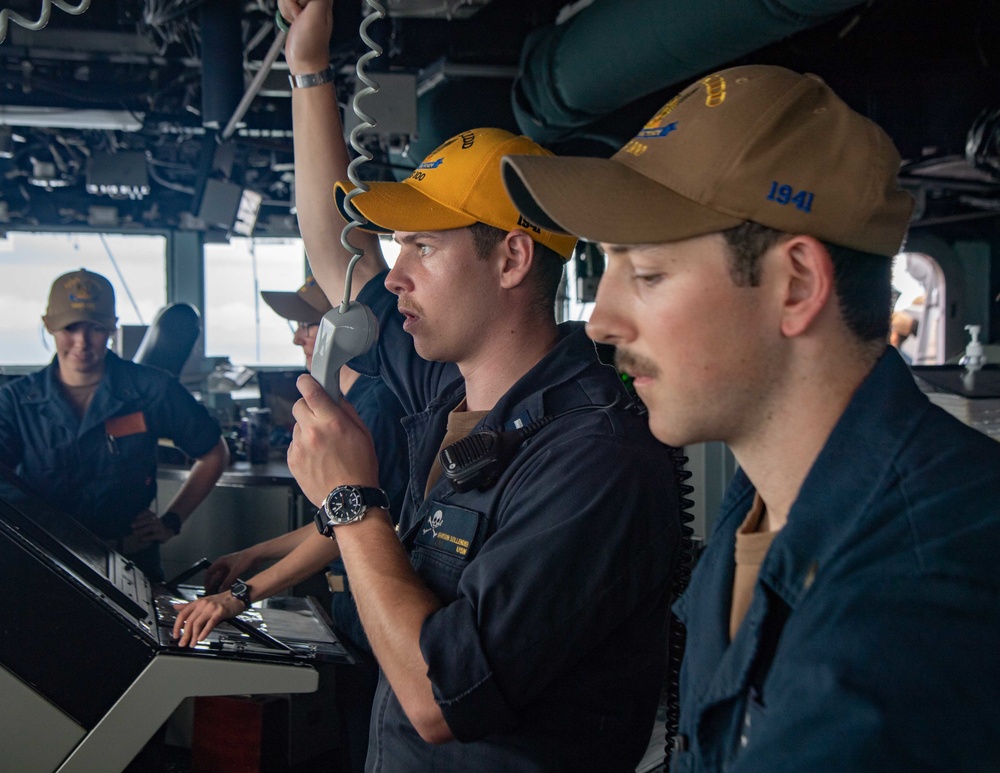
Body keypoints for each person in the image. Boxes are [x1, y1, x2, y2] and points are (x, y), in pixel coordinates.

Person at [174, 2, 682, 770]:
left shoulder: (595, 455)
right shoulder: (448, 382)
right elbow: (334, 257)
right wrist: (309, 65)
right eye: (397, 245)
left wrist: (350, 501)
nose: (396, 273)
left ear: (511, 261)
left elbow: (441, 695)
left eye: (422, 247)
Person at [502, 64, 1000, 771]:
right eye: (605, 267)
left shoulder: (911, 610)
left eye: (645, 273)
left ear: (795, 284)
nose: (601, 323)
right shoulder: (760, 505)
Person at [179, 273, 409, 773]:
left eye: (310, 325)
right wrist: (254, 554)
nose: (300, 338)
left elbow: (358, 524)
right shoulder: (348, 406)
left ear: (344, 332)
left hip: (380, 608)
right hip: (355, 606)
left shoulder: (376, 409)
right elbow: (335, 521)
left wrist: (243, 593)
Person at [0, 268, 229, 582]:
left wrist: (171, 520)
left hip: (131, 564)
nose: (82, 342)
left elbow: (214, 452)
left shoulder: (152, 389)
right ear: (49, 326)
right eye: (70, 328)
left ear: (112, 328)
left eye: (95, 328)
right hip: (46, 567)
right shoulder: (14, 402)